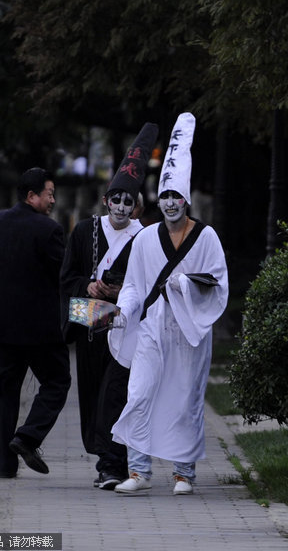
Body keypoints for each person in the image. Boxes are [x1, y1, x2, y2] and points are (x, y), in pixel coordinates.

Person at [109, 113, 229, 495]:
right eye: (165, 197)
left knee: (183, 401)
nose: (171, 203)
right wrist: (124, 310)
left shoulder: (207, 237)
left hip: (190, 331)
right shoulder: (144, 240)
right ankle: (139, 471)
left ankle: (183, 473)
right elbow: (132, 285)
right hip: (152, 328)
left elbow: (218, 283)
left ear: (186, 200)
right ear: (158, 201)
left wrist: (186, 285)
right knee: (140, 392)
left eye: (176, 196)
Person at [60, 123, 159, 490]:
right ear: (106, 200)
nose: (120, 206)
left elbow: (151, 285)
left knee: (116, 394)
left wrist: (122, 295)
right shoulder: (85, 232)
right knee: (92, 394)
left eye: (127, 201)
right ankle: (105, 457)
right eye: (115, 199)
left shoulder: (145, 237)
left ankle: (112, 463)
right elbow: (66, 277)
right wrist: (88, 286)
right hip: (91, 324)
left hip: (127, 326)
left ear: (136, 206)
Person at [0, 167, 71, 478]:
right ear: (32, 195)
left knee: (5, 392)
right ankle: (28, 436)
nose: (53, 200)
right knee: (58, 381)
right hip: (39, 329)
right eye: (49, 194)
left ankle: (5, 466)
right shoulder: (49, 230)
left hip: (0, 325)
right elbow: (63, 275)